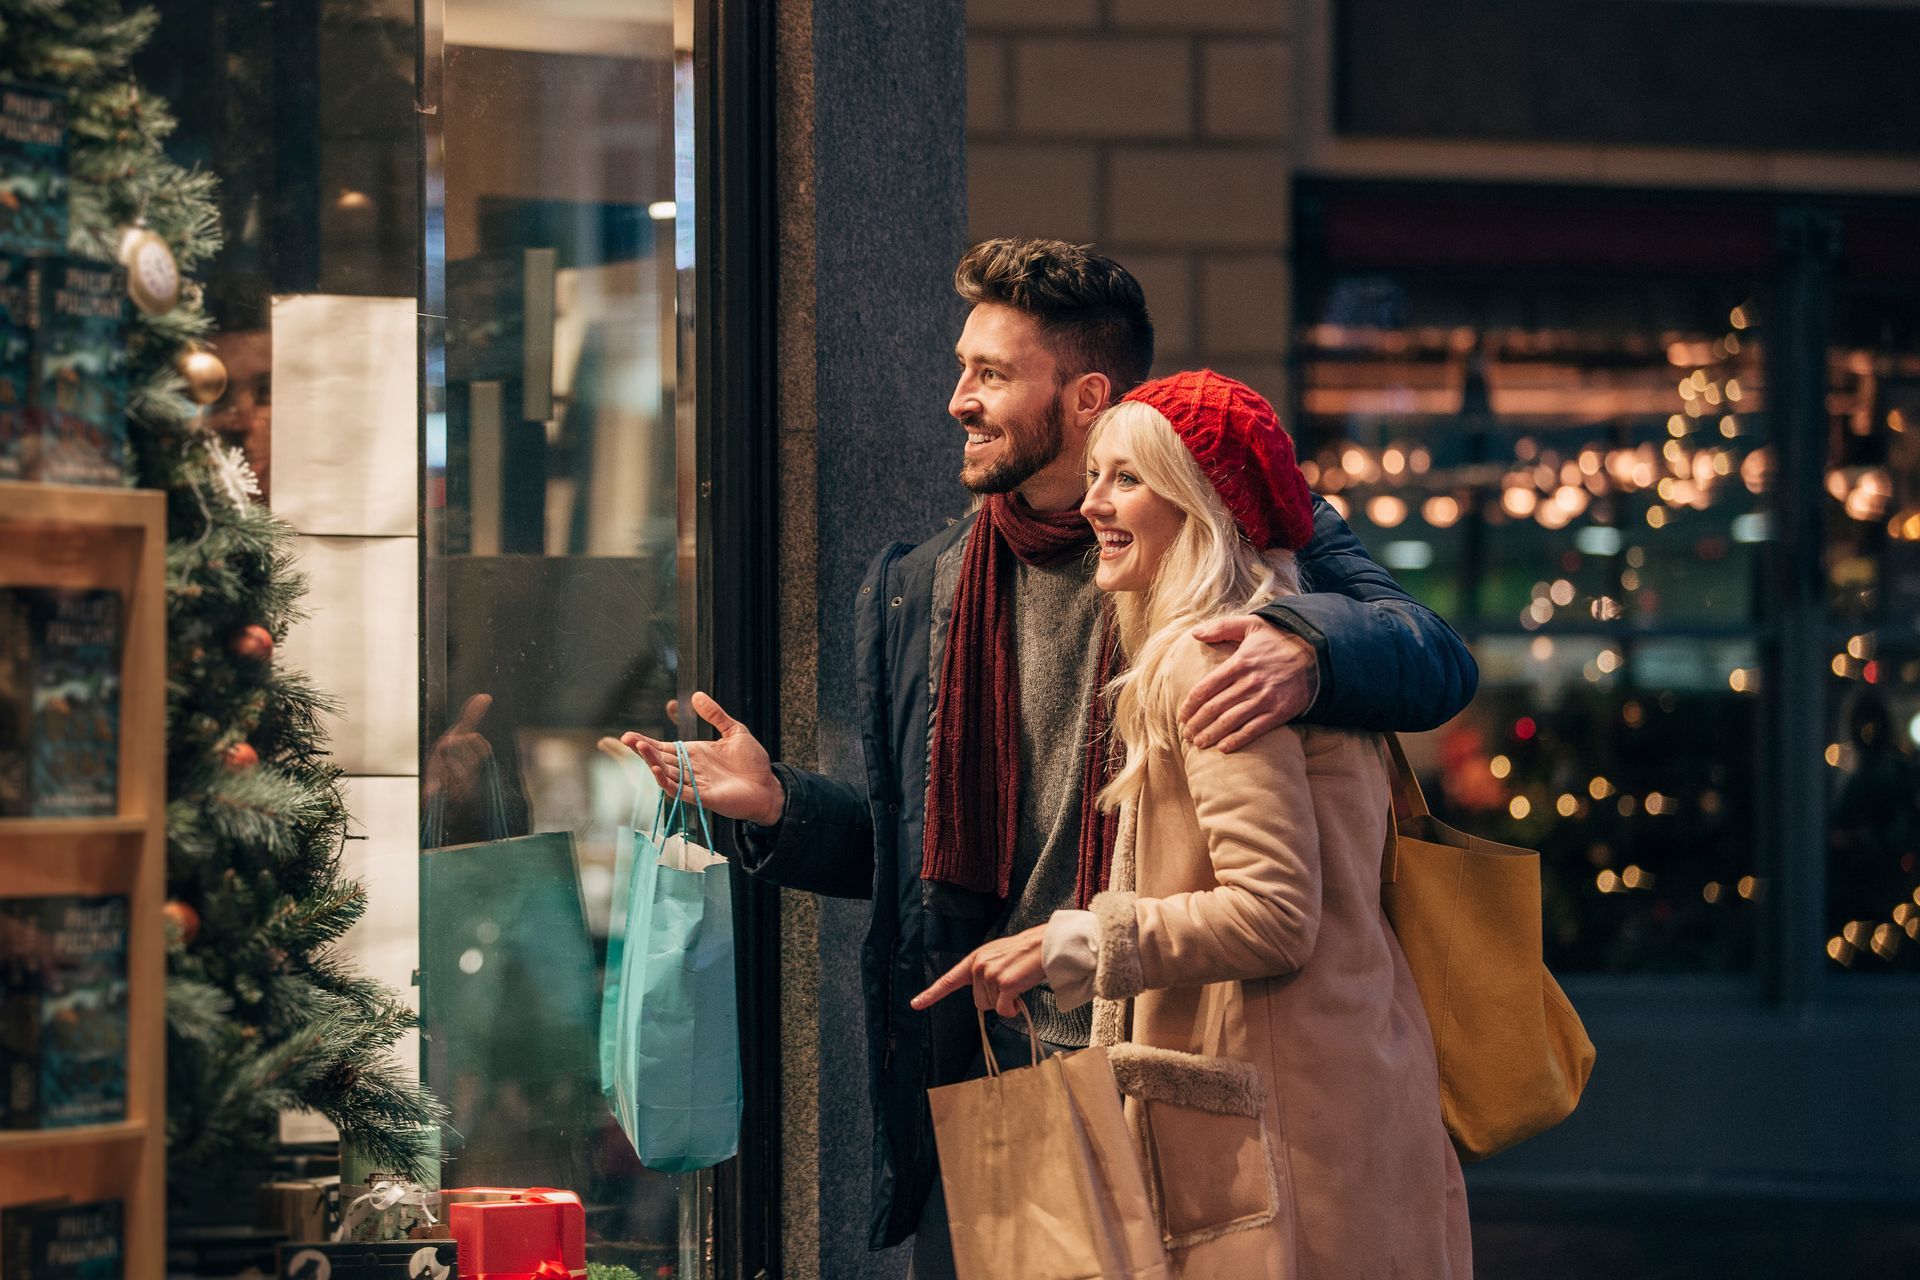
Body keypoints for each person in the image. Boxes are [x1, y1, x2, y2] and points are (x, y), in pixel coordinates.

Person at [620, 239, 1477, 1271]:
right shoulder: (928, 588)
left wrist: (1305, 648)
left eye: (990, 373)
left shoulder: (1223, 550)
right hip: (1017, 1070)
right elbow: (929, 861)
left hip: (1187, 1063)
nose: (957, 400)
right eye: (960, 366)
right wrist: (780, 807)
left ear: (1085, 396)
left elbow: (1433, 657)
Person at [913, 370, 1473, 1277]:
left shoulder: (1211, 656)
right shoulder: (1281, 642)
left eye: (1127, 479)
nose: (1093, 502)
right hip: (1340, 1093)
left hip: (1282, 1133)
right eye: (1096, 474)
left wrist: (1080, 941)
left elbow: (1273, 912)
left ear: (1203, 504)